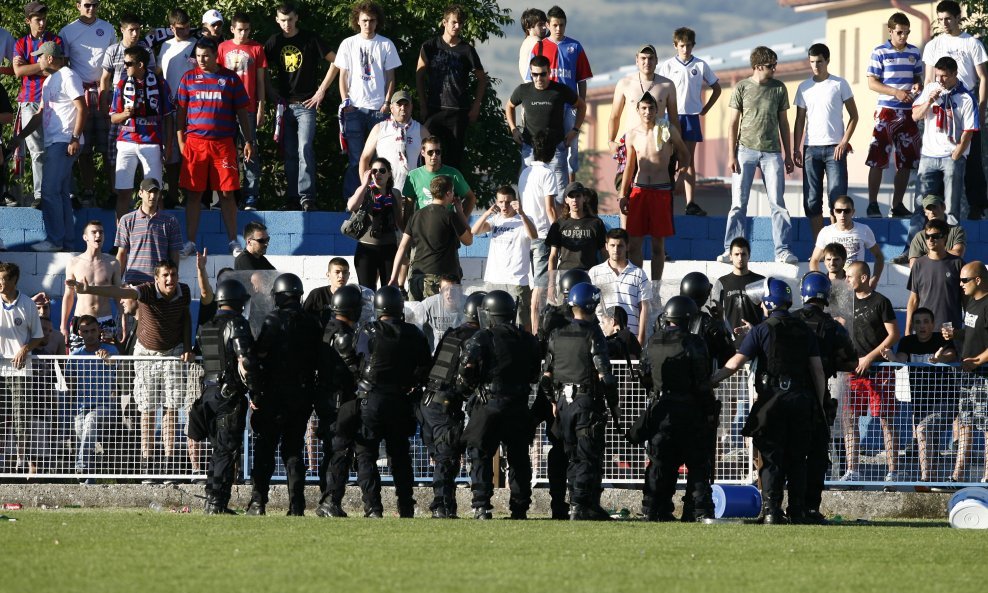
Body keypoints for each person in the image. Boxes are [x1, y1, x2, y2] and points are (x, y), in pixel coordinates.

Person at [709, 277, 826, 523]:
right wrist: (819, 403)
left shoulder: (762, 330)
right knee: (797, 459)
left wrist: (710, 380)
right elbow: (817, 370)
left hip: (772, 400)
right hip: (801, 399)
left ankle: (772, 511)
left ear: (768, 303)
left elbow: (736, 363)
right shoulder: (804, 329)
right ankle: (797, 511)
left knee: (771, 458)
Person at [67, 259, 194, 479]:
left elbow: (186, 318)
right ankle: (148, 464)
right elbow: (119, 290)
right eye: (165, 275)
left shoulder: (183, 291)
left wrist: (187, 346)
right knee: (147, 410)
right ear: (156, 278)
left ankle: (169, 463)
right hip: (146, 353)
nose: (170, 279)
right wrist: (88, 289)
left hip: (173, 351)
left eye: (173, 274)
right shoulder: (145, 291)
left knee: (171, 409)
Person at [459, 290, 541, 519]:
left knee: (480, 454)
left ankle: (482, 505)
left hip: (490, 404)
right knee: (519, 458)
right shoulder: (528, 339)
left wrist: (471, 387)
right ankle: (519, 507)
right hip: (518, 405)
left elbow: (466, 368)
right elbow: (535, 374)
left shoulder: (483, 337)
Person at [247, 273, 323, 516]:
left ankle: (258, 503)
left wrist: (256, 394)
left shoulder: (273, 320)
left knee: (265, 450)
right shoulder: (312, 322)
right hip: (301, 395)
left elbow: (259, 357)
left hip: (273, 395)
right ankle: (296, 506)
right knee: (294, 451)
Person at [632, 296, 714, 521]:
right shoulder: (694, 342)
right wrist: (708, 411)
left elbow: (643, 375)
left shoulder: (652, 341)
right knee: (697, 463)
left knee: (660, 461)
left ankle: (654, 508)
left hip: (660, 410)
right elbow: (702, 380)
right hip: (689, 410)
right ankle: (697, 510)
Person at [542, 282, 619, 520]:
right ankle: (579, 504)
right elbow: (604, 374)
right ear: (592, 304)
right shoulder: (592, 333)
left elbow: (546, 377)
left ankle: (583, 504)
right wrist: (614, 401)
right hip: (586, 401)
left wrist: (554, 401)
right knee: (587, 455)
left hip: (563, 403)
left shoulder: (556, 334)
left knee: (572, 455)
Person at [353, 286, 432, 518]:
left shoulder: (368, 331)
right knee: (400, 455)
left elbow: (357, 360)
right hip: (400, 400)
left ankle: (373, 507)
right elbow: (425, 368)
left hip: (372, 399)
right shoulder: (414, 334)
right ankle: (406, 506)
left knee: (366, 453)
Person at [719, 46, 797, 265]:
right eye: (771, 66)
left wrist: (788, 155)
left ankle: (782, 250)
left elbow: (784, 122)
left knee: (778, 203)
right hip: (745, 150)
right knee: (738, 204)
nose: (775, 69)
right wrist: (731, 155)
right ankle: (730, 249)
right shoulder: (742, 87)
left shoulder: (779, 88)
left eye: (775, 65)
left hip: (772, 152)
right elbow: (733, 123)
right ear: (758, 66)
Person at [176, 38, 253, 258]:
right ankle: (189, 242)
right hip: (195, 143)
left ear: (215, 55)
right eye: (198, 56)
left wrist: (248, 140)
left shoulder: (230, 78)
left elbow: (241, 112)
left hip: (223, 144)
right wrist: (181, 140)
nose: (201, 60)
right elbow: (180, 112)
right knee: (194, 194)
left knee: (227, 193)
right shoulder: (189, 78)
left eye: (206, 55)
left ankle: (233, 242)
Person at [794, 272, 857, 524]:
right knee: (817, 454)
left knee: (791, 454)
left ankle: (781, 507)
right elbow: (851, 361)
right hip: (818, 396)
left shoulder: (790, 320)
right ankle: (810, 508)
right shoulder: (833, 327)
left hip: (788, 394)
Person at [10, 41, 85, 253]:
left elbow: (82, 108)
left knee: (49, 190)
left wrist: (74, 138)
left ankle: (54, 240)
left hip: (64, 141)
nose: (37, 60)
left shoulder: (68, 76)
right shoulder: (49, 80)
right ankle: (67, 242)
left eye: (39, 56)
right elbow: (39, 114)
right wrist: (20, 137)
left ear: (49, 58)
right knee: (60, 192)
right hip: (54, 141)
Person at [193, 278, 259, 514]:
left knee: (217, 448)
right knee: (226, 449)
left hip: (208, 393)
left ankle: (213, 500)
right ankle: (216, 503)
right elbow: (246, 360)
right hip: (228, 395)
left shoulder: (207, 325)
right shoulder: (237, 323)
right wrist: (255, 391)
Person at [265, 2, 338, 211]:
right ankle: (292, 198)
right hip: (284, 106)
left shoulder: (310, 38)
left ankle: (307, 198)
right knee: (288, 153)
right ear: (277, 20)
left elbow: (337, 61)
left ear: (296, 18)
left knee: (304, 148)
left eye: (290, 20)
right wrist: (270, 92)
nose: (286, 24)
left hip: (307, 104)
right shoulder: (274, 41)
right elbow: (260, 66)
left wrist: (321, 91)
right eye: (282, 20)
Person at [420, 291, 485, 518]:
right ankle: (441, 506)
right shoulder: (477, 338)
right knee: (447, 459)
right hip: (444, 404)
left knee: (444, 457)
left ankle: (447, 506)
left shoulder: (453, 334)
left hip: (429, 403)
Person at [922, 1, 988, 220]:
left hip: (965, 102)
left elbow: (982, 77)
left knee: (972, 156)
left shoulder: (971, 43)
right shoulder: (933, 45)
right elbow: (929, 78)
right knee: (941, 156)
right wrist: (927, 101)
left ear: (958, 17)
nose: (944, 24)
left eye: (948, 19)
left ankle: (977, 205)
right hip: (940, 104)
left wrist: (981, 105)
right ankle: (935, 209)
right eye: (940, 19)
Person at [533, 267, 590, 520]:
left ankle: (560, 504)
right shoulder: (576, 320)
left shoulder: (550, 317)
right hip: (569, 391)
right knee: (578, 449)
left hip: (550, 389)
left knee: (558, 447)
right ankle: (579, 502)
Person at [619, 91, 689, 280]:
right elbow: (629, 166)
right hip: (639, 190)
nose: (647, 111)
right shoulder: (632, 135)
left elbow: (685, 154)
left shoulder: (667, 130)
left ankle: (656, 287)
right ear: (638, 110)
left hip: (661, 191)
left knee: (658, 245)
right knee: (634, 244)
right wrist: (622, 194)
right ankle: (637, 284)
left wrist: (681, 178)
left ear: (657, 110)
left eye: (651, 108)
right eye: (644, 108)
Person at [841, 261, 901, 482]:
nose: (846, 280)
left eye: (850, 276)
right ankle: (852, 469)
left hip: (879, 370)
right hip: (853, 371)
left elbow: (893, 335)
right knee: (850, 419)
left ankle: (893, 471)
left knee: (886, 420)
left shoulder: (880, 302)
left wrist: (870, 358)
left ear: (864, 277)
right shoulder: (846, 302)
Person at [793, 43, 858, 241]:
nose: (815, 66)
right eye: (812, 62)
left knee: (837, 198)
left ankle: (835, 243)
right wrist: (796, 148)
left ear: (827, 61)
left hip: (834, 149)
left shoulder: (839, 84)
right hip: (811, 148)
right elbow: (799, 120)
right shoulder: (804, 87)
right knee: (812, 200)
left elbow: (854, 116)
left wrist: (844, 142)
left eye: (819, 61)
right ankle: (819, 244)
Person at [883, 306, 956, 483]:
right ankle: (930, 481)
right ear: (913, 326)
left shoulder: (941, 339)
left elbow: (951, 354)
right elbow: (900, 360)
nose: (922, 326)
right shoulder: (908, 342)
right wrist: (891, 357)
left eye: (925, 322)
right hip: (920, 403)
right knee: (928, 439)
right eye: (917, 322)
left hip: (944, 401)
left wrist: (939, 359)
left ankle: (926, 480)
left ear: (932, 324)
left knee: (923, 431)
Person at [336, 1, 401, 198]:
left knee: (378, 161)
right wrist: (345, 101)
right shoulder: (348, 43)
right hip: (354, 109)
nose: (368, 24)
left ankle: (378, 199)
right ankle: (353, 200)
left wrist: (387, 103)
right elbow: (343, 76)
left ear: (377, 22)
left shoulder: (385, 44)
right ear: (358, 20)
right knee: (356, 159)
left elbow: (391, 77)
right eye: (364, 20)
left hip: (378, 110)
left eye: (372, 20)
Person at [864, 12, 923, 219]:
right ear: (890, 31)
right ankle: (872, 203)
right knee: (878, 157)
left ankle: (897, 205)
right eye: (899, 32)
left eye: (906, 33)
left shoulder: (914, 52)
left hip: (909, 113)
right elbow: (872, 83)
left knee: (907, 160)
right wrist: (895, 92)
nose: (903, 37)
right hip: (886, 112)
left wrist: (918, 84)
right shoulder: (879, 52)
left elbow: (917, 76)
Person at [59, 0, 116, 206]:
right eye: (86, 5)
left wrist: (109, 91)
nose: (91, 9)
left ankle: (113, 192)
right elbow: (63, 65)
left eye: (94, 4)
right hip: (79, 93)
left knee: (110, 146)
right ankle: (89, 191)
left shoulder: (107, 28)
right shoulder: (67, 31)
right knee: (83, 148)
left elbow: (115, 63)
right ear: (77, 5)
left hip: (104, 92)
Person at [658, 29, 721, 216]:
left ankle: (690, 202)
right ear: (675, 46)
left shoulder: (700, 65)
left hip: (691, 116)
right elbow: (659, 90)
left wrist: (706, 108)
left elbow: (716, 88)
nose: (685, 49)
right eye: (682, 45)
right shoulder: (667, 65)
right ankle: (664, 200)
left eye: (688, 45)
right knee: (667, 158)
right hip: (671, 116)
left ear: (693, 45)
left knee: (688, 160)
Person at [416, 4, 486, 171]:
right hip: (434, 108)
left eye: (460, 23)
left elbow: (482, 79)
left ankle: (451, 195)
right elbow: (419, 75)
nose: (457, 26)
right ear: (444, 22)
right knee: (428, 153)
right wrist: (423, 105)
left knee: (454, 158)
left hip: (458, 110)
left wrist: (476, 107)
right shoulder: (430, 46)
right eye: (454, 22)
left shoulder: (467, 50)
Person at [107, 45, 174, 220]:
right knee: (123, 193)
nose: (124, 66)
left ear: (141, 65)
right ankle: (121, 241)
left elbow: (168, 117)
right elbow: (113, 118)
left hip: (151, 142)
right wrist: (124, 114)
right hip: (126, 142)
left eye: (128, 63)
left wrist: (168, 145)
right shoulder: (122, 84)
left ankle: (157, 237)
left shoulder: (160, 83)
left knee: (154, 193)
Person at [315, 284, 364, 518]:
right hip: (339, 401)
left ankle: (327, 498)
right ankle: (330, 500)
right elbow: (356, 369)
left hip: (327, 398)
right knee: (340, 451)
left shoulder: (327, 328)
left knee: (332, 450)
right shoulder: (343, 334)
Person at [911, 56, 978, 225]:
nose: (940, 80)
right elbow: (915, 116)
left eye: (944, 76)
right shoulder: (930, 89)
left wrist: (956, 154)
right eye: (937, 75)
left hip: (951, 156)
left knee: (951, 208)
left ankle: (951, 249)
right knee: (921, 206)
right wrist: (930, 101)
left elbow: (969, 131)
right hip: (928, 155)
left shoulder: (965, 97)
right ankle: (912, 249)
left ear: (955, 74)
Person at [528, 6, 591, 184]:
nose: (558, 29)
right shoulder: (539, 47)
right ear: (547, 24)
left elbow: (582, 79)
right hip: (546, 105)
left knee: (571, 146)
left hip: (569, 105)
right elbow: (529, 79)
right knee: (544, 144)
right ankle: (542, 183)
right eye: (555, 25)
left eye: (562, 25)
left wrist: (581, 104)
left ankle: (571, 187)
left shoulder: (575, 46)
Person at [506, 54, 586, 193]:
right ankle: (525, 214)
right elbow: (509, 106)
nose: (539, 78)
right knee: (526, 187)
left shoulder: (560, 90)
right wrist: (513, 129)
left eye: (543, 74)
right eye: (534, 75)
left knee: (560, 191)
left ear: (549, 72)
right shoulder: (523, 90)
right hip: (530, 147)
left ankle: (560, 215)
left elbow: (582, 105)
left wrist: (575, 129)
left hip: (556, 147)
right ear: (530, 73)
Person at [99, 13, 157, 201]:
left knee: (145, 154)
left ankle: (145, 197)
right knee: (112, 153)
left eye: (138, 30)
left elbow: (154, 76)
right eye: (131, 30)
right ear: (122, 30)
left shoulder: (146, 50)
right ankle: (115, 193)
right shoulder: (113, 50)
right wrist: (104, 109)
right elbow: (105, 81)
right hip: (118, 106)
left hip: (144, 108)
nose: (135, 34)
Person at [389, 175, 472, 301]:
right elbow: (468, 240)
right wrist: (460, 212)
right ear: (449, 193)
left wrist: (394, 278)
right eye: (453, 191)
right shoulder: (450, 216)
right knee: (438, 318)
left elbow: (402, 247)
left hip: (416, 276)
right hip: (440, 279)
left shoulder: (416, 216)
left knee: (417, 318)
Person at [12, 2, 62, 209]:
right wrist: (43, 65)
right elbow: (18, 72)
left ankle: (60, 192)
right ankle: (40, 195)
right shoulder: (21, 43)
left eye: (44, 18)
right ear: (28, 21)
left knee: (58, 147)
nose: (42, 23)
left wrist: (31, 67)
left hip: (55, 100)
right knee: (36, 150)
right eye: (37, 19)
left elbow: (59, 68)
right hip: (30, 100)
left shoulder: (55, 40)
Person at [945, 261, 988, 482]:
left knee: (986, 425)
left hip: (983, 375)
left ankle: (987, 474)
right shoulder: (971, 303)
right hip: (967, 375)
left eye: (964, 280)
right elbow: (973, 334)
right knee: (965, 422)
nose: (960, 284)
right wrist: (956, 335)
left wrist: (978, 361)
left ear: (978, 280)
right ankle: (958, 474)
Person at [218, 12, 266, 211]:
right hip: (226, 109)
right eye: (239, 30)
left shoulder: (257, 48)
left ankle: (250, 197)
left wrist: (262, 107)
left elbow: (261, 81)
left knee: (250, 152)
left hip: (248, 107)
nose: (243, 33)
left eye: (247, 30)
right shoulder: (222, 47)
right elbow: (217, 78)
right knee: (226, 153)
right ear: (232, 29)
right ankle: (228, 196)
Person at [0, 262, 44, 476]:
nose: (0, 283)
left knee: (21, 416)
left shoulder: (27, 303)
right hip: (0, 368)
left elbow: (38, 336)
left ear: (14, 280)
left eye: (4, 279)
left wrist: (24, 349)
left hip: (19, 369)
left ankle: (21, 460)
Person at [473, 185, 537, 331]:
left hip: (516, 280)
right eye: (501, 202)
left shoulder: (524, 219)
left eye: (508, 202)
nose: (504, 206)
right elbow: (474, 231)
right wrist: (486, 214)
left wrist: (522, 214)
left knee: (521, 320)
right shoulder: (495, 219)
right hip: (494, 279)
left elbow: (534, 235)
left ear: (514, 202)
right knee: (490, 321)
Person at [519, 131, 562, 333]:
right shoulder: (547, 173)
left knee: (531, 284)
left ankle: (531, 328)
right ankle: (536, 332)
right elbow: (550, 209)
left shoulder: (525, 173)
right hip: (542, 234)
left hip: (525, 234)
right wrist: (559, 233)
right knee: (540, 285)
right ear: (552, 152)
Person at [157, 8, 197, 209]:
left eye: (188, 26)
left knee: (189, 153)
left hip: (191, 108)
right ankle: (172, 195)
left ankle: (191, 196)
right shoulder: (164, 46)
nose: (186, 31)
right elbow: (158, 72)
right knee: (170, 153)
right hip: (168, 107)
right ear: (172, 27)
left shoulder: (196, 45)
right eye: (181, 28)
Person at [62, 220, 121, 351]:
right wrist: (63, 325)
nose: (98, 235)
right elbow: (68, 295)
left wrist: (123, 321)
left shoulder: (112, 263)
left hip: (105, 320)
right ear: (85, 237)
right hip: (81, 320)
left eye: (101, 232)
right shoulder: (74, 262)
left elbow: (119, 295)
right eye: (94, 232)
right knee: (79, 363)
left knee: (108, 363)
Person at [347, 159, 403, 290]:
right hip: (367, 249)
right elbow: (351, 206)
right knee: (367, 291)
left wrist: (407, 242)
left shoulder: (395, 194)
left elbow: (399, 220)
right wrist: (364, 185)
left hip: (389, 248)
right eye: (374, 171)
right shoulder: (365, 191)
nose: (378, 174)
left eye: (382, 171)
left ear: (389, 173)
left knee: (389, 290)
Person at [114, 178, 182, 285]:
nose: (153, 196)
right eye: (149, 192)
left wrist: (172, 280)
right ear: (140, 193)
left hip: (160, 283)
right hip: (134, 281)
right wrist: (116, 282)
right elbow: (121, 254)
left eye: (156, 192)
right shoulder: (126, 220)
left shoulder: (170, 221)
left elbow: (175, 254)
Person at [589, 228, 651, 346]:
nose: (616, 249)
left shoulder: (639, 274)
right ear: (606, 246)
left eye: (620, 246)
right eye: (612, 245)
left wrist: (640, 339)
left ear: (627, 247)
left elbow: (643, 308)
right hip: (602, 338)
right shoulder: (594, 272)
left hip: (631, 337)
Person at [359, 92, 429, 196]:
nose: (403, 108)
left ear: (411, 107)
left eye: (406, 105)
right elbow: (364, 159)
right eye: (399, 105)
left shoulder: (421, 130)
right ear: (391, 108)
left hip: (412, 193)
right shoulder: (380, 128)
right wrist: (367, 187)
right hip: (384, 193)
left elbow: (433, 159)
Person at [905, 218, 964, 334]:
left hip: (949, 328)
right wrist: (908, 330)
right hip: (924, 330)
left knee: (949, 352)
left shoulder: (958, 264)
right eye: (927, 236)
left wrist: (966, 331)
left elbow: (966, 300)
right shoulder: (918, 264)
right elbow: (913, 300)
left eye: (935, 236)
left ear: (945, 237)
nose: (930, 239)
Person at [808, 195, 884, 283]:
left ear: (853, 212)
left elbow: (879, 256)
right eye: (839, 211)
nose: (842, 215)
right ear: (834, 212)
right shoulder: (826, 231)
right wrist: (819, 281)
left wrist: (874, 280)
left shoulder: (864, 230)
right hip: (833, 283)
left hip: (856, 283)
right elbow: (814, 260)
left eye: (847, 211)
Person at [545, 181, 606, 290]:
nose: (575, 200)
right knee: (564, 307)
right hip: (565, 274)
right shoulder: (558, 224)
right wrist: (551, 284)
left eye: (578, 196)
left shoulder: (596, 223)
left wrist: (607, 277)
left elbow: (605, 253)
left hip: (590, 274)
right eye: (571, 196)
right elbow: (553, 256)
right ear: (566, 200)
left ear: (583, 198)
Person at [401, 135, 477, 213]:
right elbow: (408, 206)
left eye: (437, 152)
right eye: (430, 152)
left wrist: (461, 221)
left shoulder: (453, 174)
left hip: (445, 223)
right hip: (422, 223)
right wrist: (408, 225)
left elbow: (471, 198)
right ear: (423, 152)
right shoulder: (413, 175)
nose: (434, 155)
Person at [713, 237, 764, 347]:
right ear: (730, 256)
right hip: (728, 346)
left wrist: (756, 331)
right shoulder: (721, 283)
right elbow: (715, 317)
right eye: (736, 254)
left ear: (749, 256)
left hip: (755, 344)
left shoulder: (761, 282)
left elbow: (768, 315)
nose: (740, 258)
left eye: (743, 254)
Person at [897, 194, 966, 266]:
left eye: (934, 207)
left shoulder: (956, 231)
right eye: (929, 209)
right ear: (925, 212)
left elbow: (957, 253)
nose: (932, 212)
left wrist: (928, 256)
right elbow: (914, 265)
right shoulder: (919, 236)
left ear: (943, 207)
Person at [417, 274, 464, 351]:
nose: (449, 293)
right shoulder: (429, 304)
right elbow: (413, 324)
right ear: (439, 290)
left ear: (459, 290)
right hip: (438, 356)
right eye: (445, 289)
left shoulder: (469, 304)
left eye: (453, 289)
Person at [302, 257, 352, 326]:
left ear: (349, 275)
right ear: (328, 275)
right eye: (337, 272)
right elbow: (303, 320)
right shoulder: (317, 295)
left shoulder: (353, 296)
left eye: (345, 272)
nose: (341, 276)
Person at [517, 8, 546, 81]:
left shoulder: (526, 42)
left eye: (545, 24)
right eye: (540, 25)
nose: (544, 27)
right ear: (528, 26)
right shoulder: (537, 41)